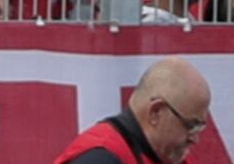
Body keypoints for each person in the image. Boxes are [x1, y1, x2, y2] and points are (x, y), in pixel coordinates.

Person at [44, 57, 216, 164]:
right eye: (190, 125)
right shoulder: (100, 158)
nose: (195, 138)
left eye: (199, 127)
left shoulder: (172, 156)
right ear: (156, 112)